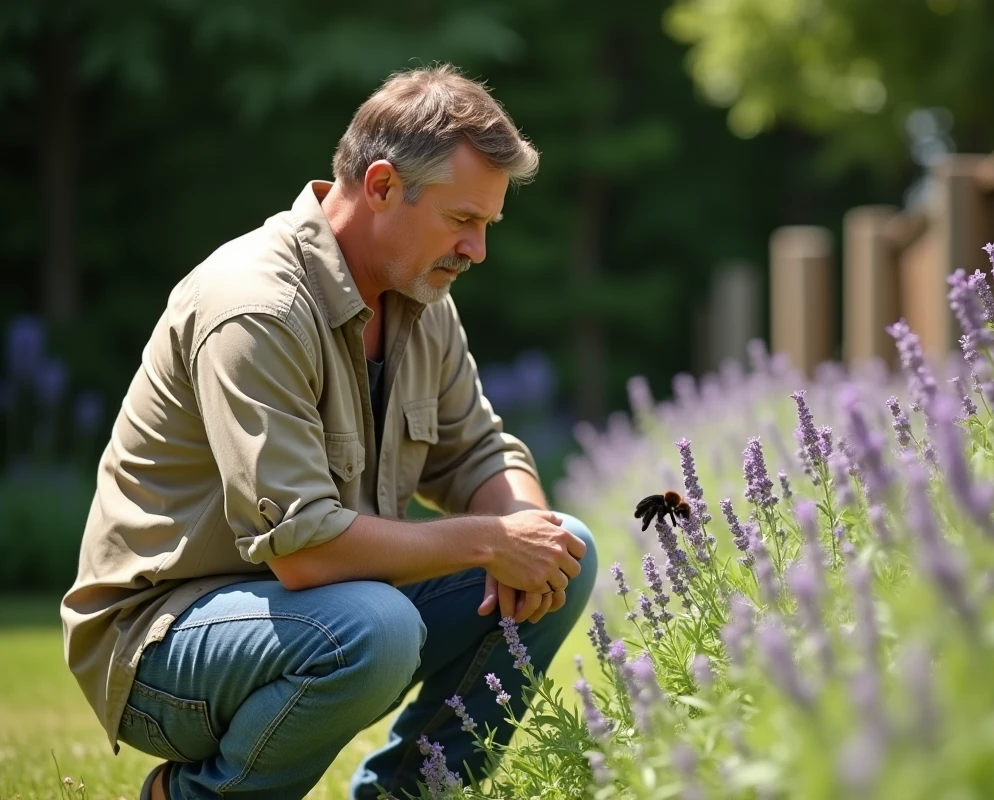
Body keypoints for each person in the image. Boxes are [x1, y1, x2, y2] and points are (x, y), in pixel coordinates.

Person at [60, 63, 598, 800]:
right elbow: (307, 552)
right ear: (380, 187)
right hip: (160, 649)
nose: (477, 250)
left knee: (563, 549)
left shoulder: (421, 297)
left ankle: (414, 793)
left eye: (487, 226)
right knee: (373, 628)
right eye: (462, 220)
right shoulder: (257, 306)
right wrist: (490, 543)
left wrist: (527, 534)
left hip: (319, 616)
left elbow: (477, 451)